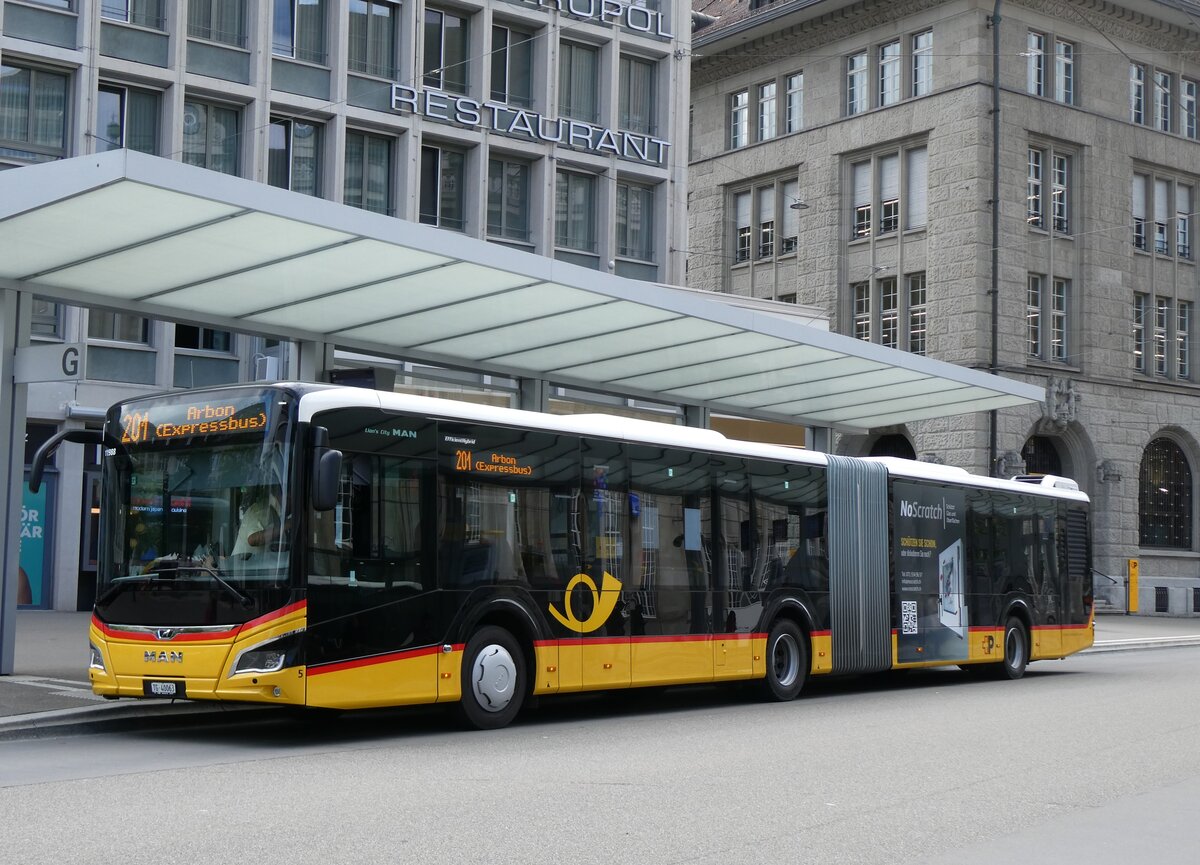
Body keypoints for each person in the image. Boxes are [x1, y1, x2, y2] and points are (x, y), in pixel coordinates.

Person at [230, 486, 281, 557]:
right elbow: (253, 539)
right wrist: (285, 526)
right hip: (245, 565)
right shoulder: (263, 510)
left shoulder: (273, 510)